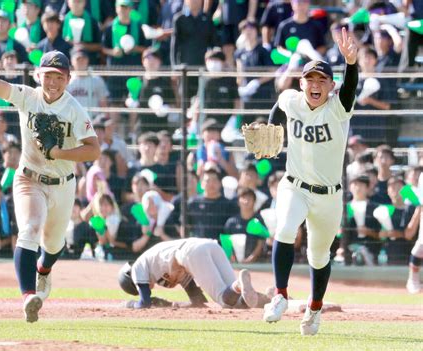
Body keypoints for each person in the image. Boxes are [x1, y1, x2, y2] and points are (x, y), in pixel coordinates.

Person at [0, 43, 100, 323]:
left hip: (63, 183)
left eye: (59, 76)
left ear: (68, 79)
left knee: (53, 243)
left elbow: (93, 149)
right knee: (29, 228)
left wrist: (59, 153)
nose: (52, 82)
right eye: (48, 75)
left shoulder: (74, 109)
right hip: (29, 177)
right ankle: (29, 296)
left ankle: (44, 270)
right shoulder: (28, 96)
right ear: (38, 75)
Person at [262, 28, 358, 335]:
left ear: (331, 86)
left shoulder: (338, 108)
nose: (315, 84)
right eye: (310, 79)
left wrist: (351, 64)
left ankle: (314, 309)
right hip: (295, 185)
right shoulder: (292, 99)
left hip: (329, 195)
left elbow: (350, 88)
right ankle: (280, 295)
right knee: (285, 228)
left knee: (319, 255)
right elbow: (279, 107)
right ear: (301, 83)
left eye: (321, 80)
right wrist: (270, 128)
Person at [118, 237, 271, 309]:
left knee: (224, 300)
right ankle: (270, 299)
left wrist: (130, 304)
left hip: (190, 252)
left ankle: (238, 285)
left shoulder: (137, 268)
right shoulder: (156, 266)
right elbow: (197, 299)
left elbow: (144, 303)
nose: (147, 288)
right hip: (208, 245)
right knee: (237, 302)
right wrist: (181, 305)